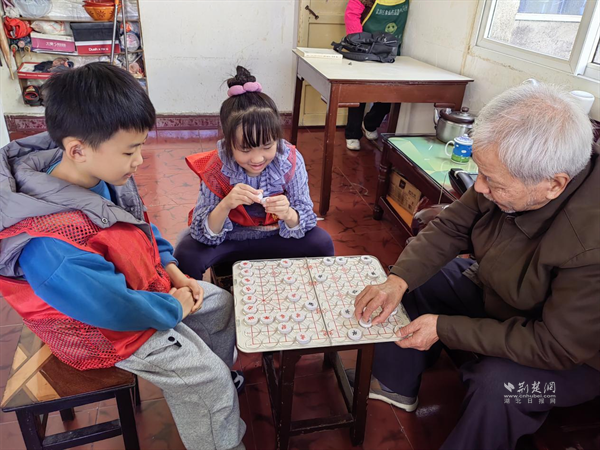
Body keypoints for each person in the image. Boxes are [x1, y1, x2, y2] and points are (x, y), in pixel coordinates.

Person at [0, 63, 245, 450]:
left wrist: (174, 271)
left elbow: (140, 226)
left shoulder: (99, 174)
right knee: (206, 380)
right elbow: (112, 309)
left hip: (137, 290)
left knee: (218, 304)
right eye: (131, 151)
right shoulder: (48, 241)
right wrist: (174, 309)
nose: (140, 160)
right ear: (77, 149)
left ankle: (215, 385)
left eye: (141, 146)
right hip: (102, 332)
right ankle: (214, 413)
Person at [351, 83, 600, 449]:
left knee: (499, 388)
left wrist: (445, 328)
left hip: (571, 360)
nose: (479, 187)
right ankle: (394, 384)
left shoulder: (589, 243)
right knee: (419, 279)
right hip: (498, 297)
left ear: (554, 185)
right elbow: (452, 225)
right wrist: (397, 280)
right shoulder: (513, 172)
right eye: (480, 172)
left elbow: (557, 346)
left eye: (492, 182)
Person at [174, 66, 334, 280]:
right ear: (229, 144)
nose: (257, 159)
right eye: (245, 149)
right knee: (185, 254)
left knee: (322, 243)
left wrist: (288, 213)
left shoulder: (288, 160)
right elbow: (202, 230)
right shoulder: (217, 166)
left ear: (277, 138)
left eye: (267, 146)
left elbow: (305, 213)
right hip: (231, 239)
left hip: (276, 234)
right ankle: (205, 300)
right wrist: (226, 204)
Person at [344, 0, 410, 151]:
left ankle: (370, 123)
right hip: (364, 49)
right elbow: (351, 15)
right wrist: (358, 41)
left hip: (390, 50)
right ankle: (352, 134)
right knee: (358, 94)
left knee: (389, 94)